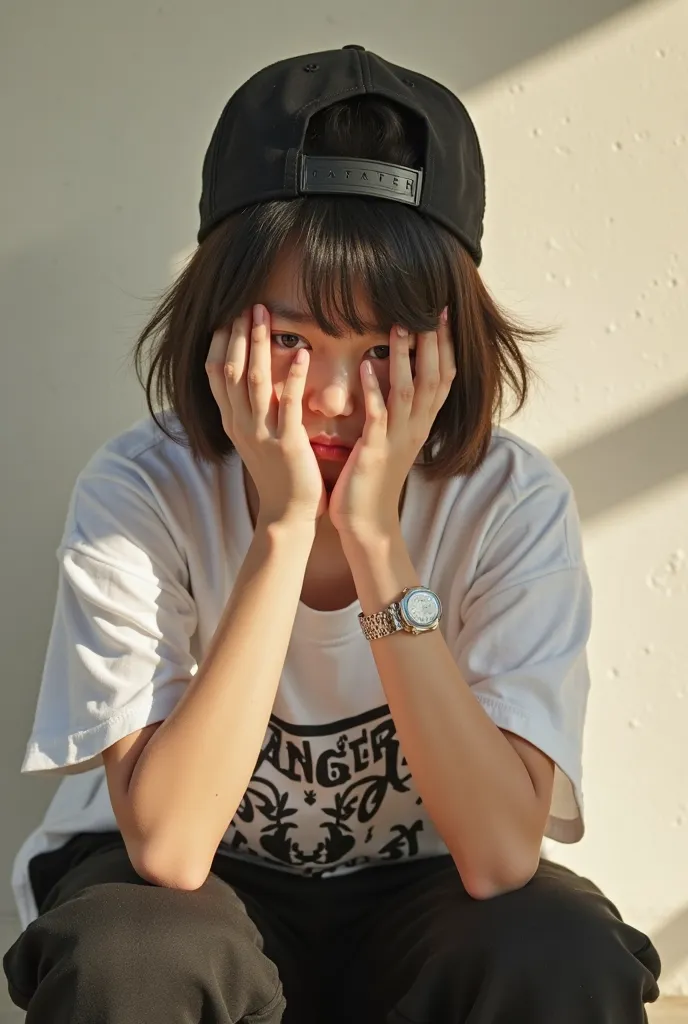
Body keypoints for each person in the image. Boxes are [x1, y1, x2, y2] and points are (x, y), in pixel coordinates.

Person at [3, 44, 661, 1024]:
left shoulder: (508, 501)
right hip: (185, 894)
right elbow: (172, 847)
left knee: (556, 948)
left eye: (384, 347)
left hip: (424, 894)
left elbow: (496, 855)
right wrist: (282, 531)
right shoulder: (142, 487)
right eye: (291, 339)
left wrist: (376, 543)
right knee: (131, 958)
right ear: (220, 322)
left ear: (446, 345)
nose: (337, 397)